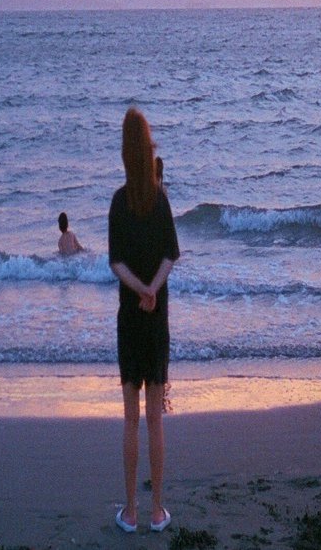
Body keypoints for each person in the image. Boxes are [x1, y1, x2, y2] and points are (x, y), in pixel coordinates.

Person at [108, 107, 180, 533]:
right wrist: (153, 288)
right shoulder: (160, 197)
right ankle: (157, 512)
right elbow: (172, 254)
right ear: (148, 147)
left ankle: (131, 512)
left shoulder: (119, 201)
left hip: (130, 316)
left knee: (131, 417)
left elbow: (115, 262)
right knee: (155, 417)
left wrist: (138, 290)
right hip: (155, 317)